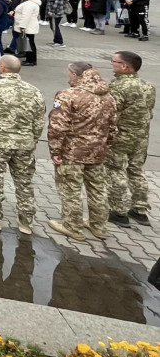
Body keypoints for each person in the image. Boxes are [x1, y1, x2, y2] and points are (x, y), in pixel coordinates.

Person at [0, 54, 46, 234]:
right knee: (24, 182)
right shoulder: (33, 90)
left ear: (2, 68)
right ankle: (26, 221)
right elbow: (39, 119)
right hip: (24, 143)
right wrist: (35, 138)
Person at [47, 62, 118, 241]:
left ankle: (72, 226)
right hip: (98, 151)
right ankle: (99, 226)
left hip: (72, 152)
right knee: (98, 189)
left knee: (70, 189)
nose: (68, 76)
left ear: (76, 75)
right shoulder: (108, 96)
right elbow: (113, 127)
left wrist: (55, 150)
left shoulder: (68, 95)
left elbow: (58, 126)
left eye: (70, 73)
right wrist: (106, 145)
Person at [106, 51, 156, 227]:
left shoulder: (118, 87)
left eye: (114, 61)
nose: (112, 64)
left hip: (122, 135)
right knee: (136, 170)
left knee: (115, 170)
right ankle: (140, 209)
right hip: (141, 136)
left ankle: (118, 211)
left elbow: (111, 113)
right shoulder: (148, 86)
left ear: (124, 66)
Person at [11, 0, 40, 66]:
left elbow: (26, 16)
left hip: (27, 26)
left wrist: (22, 26)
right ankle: (30, 59)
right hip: (29, 25)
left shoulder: (29, 4)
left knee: (29, 43)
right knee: (29, 43)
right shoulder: (29, 2)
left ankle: (31, 60)